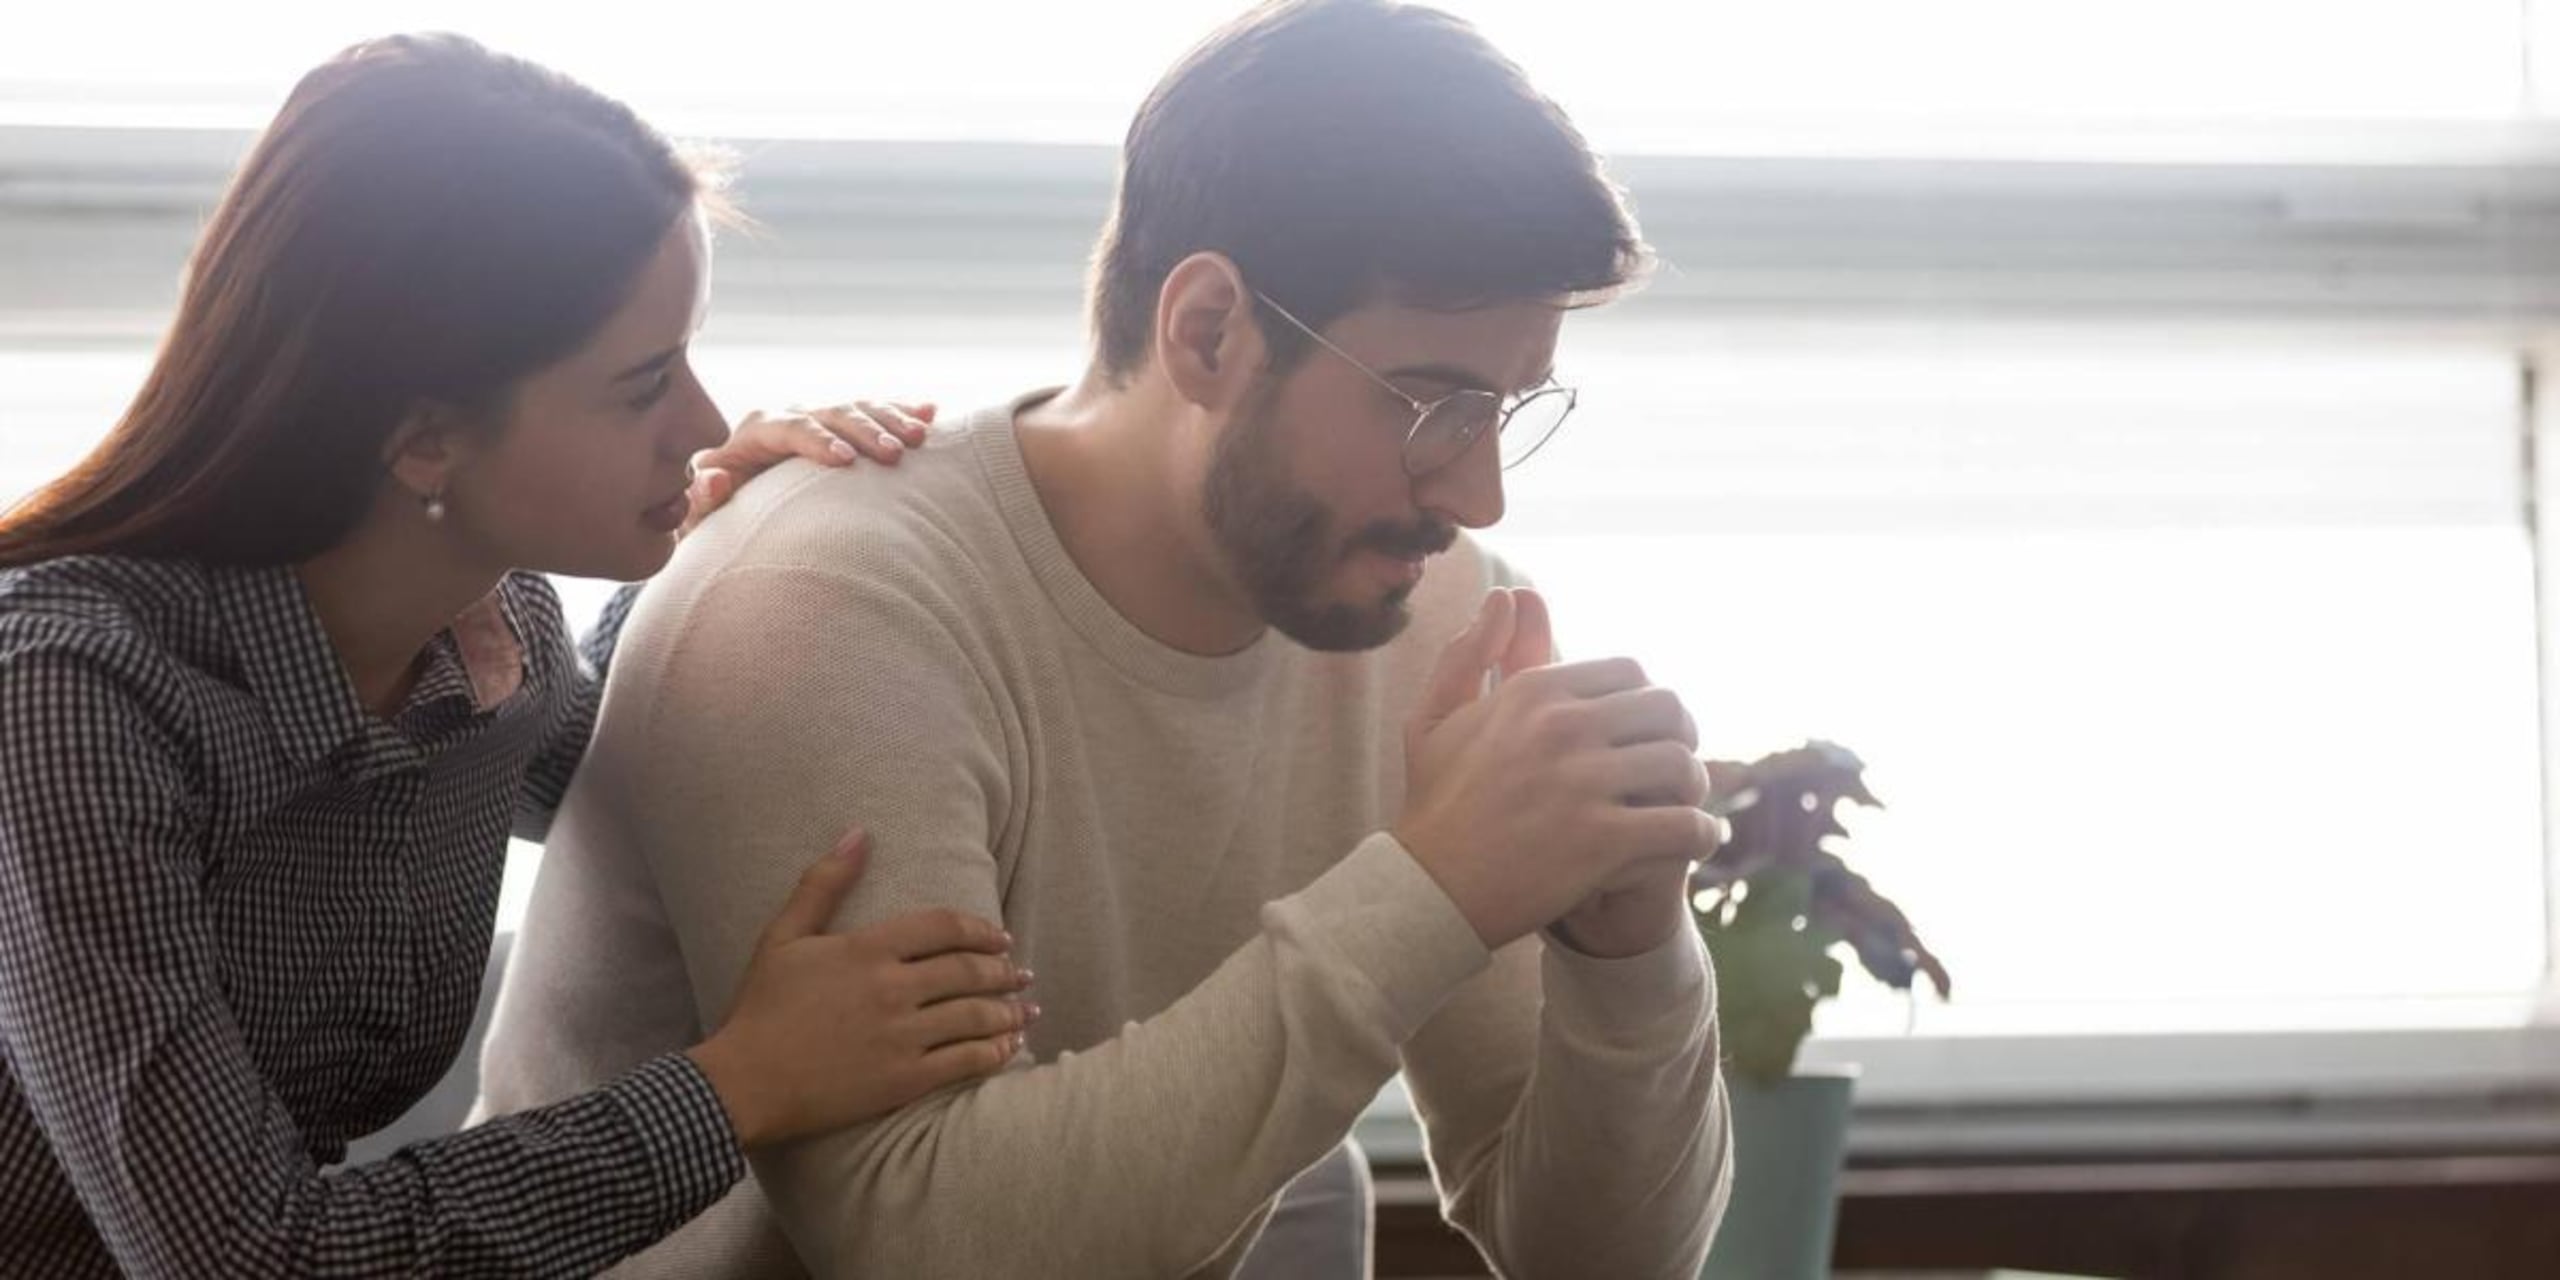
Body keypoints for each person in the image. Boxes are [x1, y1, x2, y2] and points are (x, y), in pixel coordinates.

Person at [478, 1, 1733, 1276]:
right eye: (1431, 403)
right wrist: (1434, 888)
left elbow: (1597, 1260)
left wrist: (1628, 953)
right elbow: (914, 1237)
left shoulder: (1426, 614)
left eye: (1508, 407)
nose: (1477, 496)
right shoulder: (827, 606)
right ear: (1206, 331)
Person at [0, 34, 1034, 1277]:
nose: (707, 424)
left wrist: (741, 547)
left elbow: (628, 777)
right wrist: (741, 1081)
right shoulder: (70, 698)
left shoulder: (499, 635)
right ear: (426, 438)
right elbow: (257, 1258)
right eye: (643, 381)